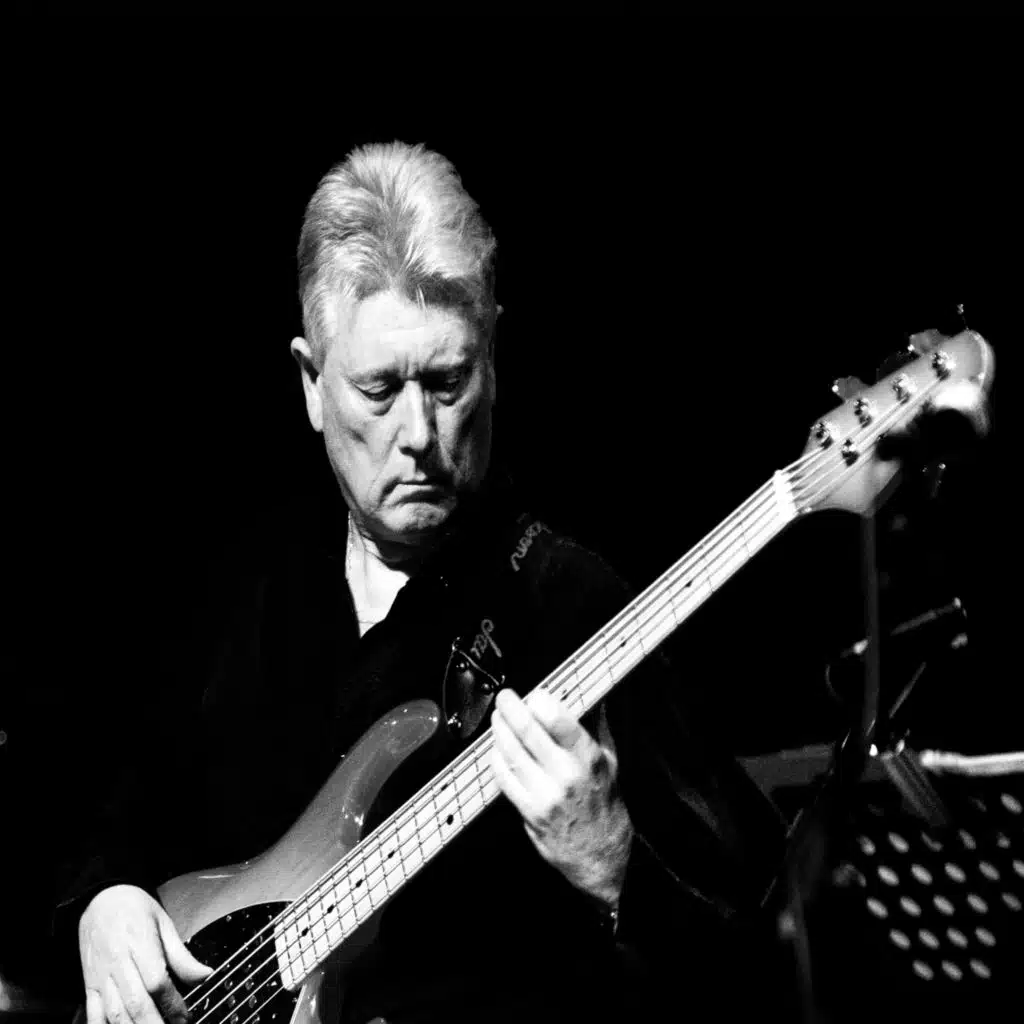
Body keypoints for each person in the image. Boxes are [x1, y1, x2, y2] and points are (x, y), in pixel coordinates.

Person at [54, 142, 793, 1024]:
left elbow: (763, 956)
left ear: (494, 361)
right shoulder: (246, 587)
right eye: (378, 389)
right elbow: (116, 811)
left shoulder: (574, 606)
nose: (417, 433)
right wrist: (100, 904)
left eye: (447, 382)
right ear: (311, 383)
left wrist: (614, 866)